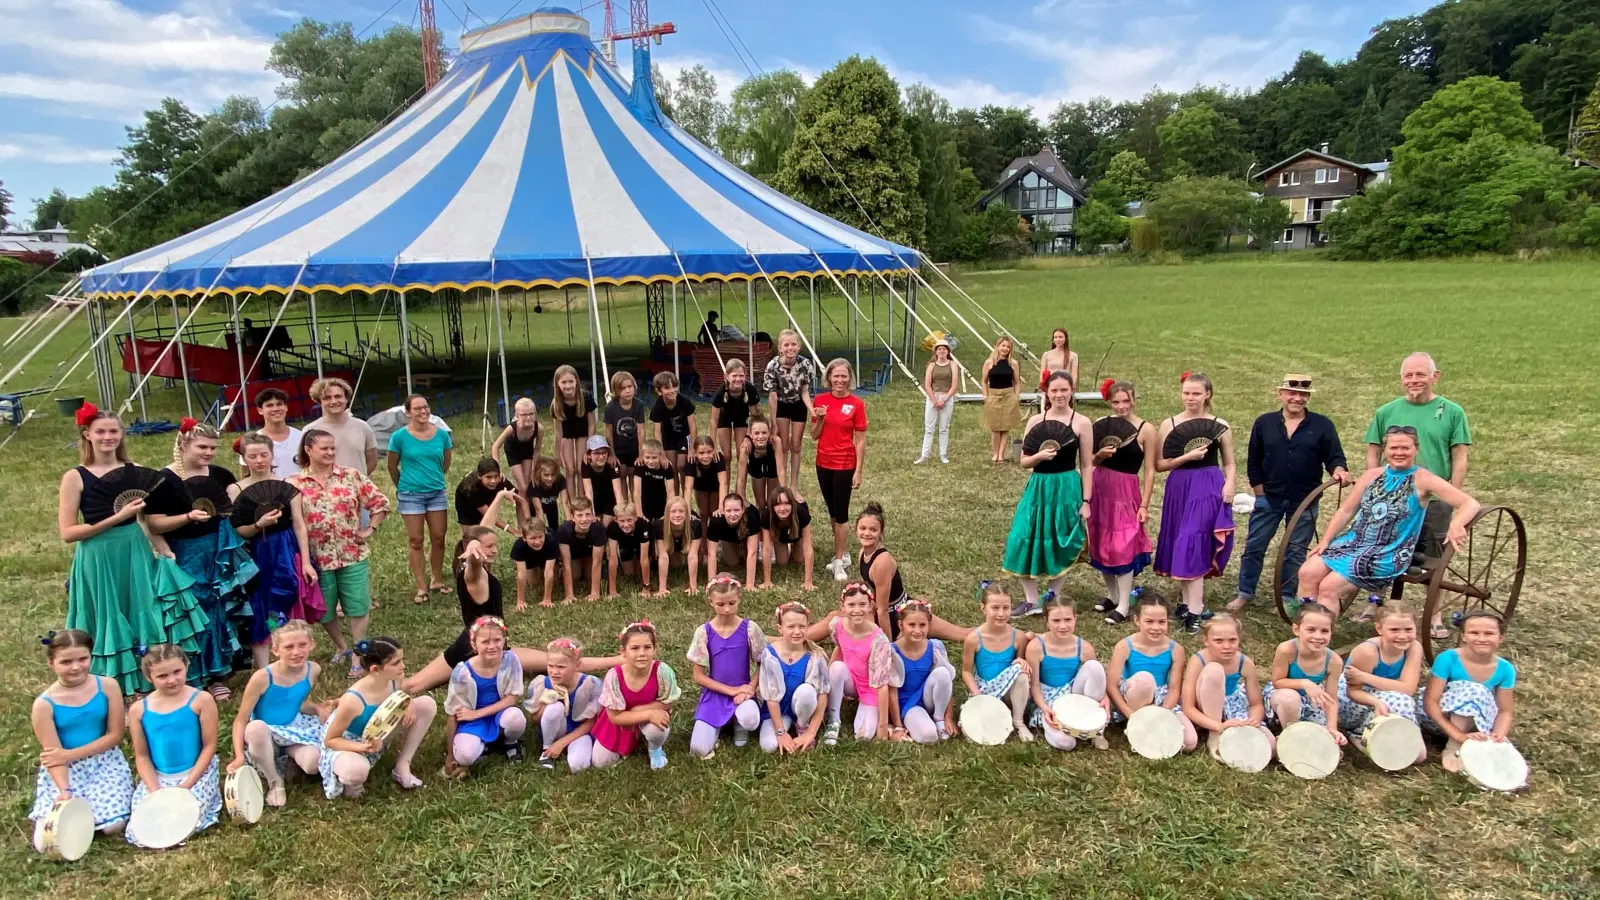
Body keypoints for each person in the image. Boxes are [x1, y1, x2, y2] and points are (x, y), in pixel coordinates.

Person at [58, 405, 209, 693]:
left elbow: (145, 520)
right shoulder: (75, 477)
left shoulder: (135, 471)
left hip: (135, 549)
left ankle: (146, 680)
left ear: (122, 434)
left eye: (113, 431)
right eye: (100, 431)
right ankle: (108, 683)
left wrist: (162, 548)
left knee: (143, 609)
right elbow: (68, 532)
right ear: (87, 434)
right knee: (106, 613)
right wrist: (116, 517)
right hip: (98, 554)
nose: (107, 437)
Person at [1297, 426, 1480, 616]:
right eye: (1393, 448)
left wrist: (1456, 523)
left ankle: (1320, 636)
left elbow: (1470, 503)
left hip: (1388, 552)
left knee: (1329, 587)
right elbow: (1346, 510)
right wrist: (1326, 540)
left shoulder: (1423, 479)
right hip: (1354, 543)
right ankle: (1307, 628)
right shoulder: (1371, 475)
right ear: (1385, 450)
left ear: (1416, 450)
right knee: (1307, 572)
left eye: (1405, 448)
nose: (1399, 453)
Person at [1363, 352, 1473, 639]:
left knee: (1435, 557)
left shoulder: (1452, 412)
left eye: (1420, 374)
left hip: (1434, 499)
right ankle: (1375, 602)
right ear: (1401, 379)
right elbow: (1373, 451)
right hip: (1394, 499)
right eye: (1408, 375)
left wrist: (1453, 496)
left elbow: (1459, 457)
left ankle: (1434, 615)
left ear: (1434, 377)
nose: (1414, 380)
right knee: (1381, 546)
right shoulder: (1386, 411)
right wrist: (1376, 488)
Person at [1230, 375, 1350, 614]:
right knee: (1255, 546)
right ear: (1280, 394)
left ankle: (1286, 596)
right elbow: (1253, 459)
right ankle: (1245, 592)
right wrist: (1259, 492)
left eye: (1303, 394)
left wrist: (1339, 470)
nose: (1297, 398)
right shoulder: (1264, 423)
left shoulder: (1322, 425)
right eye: (1291, 393)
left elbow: (1335, 456)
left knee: (1295, 550)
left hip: (1304, 500)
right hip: (1269, 498)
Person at [156, 420, 257, 699]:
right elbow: (152, 522)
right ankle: (190, 674)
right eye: (202, 447)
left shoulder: (220, 475)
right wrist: (187, 517)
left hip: (220, 549)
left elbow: (230, 510)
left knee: (219, 608)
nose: (208, 453)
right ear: (183, 444)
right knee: (192, 612)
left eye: (213, 448)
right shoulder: (164, 480)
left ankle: (218, 673)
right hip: (185, 551)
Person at [288, 429, 390, 677]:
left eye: (333, 448)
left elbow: (380, 502)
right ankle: (341, 646)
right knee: (323, 609)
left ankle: (358, 652)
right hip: (316, 558)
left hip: (351, 553)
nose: (330, 453)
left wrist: (370, 528)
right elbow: (293, 523)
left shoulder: (351, 476)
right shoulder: (294, 483)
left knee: (357, 605)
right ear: (308, 450)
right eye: (324, 448)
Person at [29, 630, 132, 851]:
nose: (76, 667)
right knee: (44, 843)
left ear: (91, 657)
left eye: (83, 659)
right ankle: (74, 821)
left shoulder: (108, 686)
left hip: (104, 761)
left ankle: (88, 821)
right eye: (66, 662)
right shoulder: (44, 705)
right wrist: (64, 790)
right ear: (51, 663)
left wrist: (70, 754)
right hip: (65, 769)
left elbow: (115, 735)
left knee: (114, 826)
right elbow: (53, 754)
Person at [1002, 372, 1094, 617]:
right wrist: (1038, 457)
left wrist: (1086, 500)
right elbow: (1023, 461)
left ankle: (1052, 595)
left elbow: (1086, 465)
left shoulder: (1082, 423)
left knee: (1060, 539)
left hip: (1066, 487)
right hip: (1039, 485)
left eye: (1064, 390)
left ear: (1072, 391)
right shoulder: (1035, 421)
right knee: (1022, 536)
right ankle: (1031, 600)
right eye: (1054, 391)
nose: (1059, 395)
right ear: (1047, 393)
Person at [1153, 372, 1237, 634]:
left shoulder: (1220, 425)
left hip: (1209, 485)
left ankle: (1196, 610)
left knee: (1195, 540)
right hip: (1179, 486)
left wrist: (1230, 484)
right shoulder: (1169, 424)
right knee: (1181, 540)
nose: (1190, 398)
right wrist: (1186, 456)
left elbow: (1230, 462)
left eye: (1196, 393)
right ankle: (1189, 604)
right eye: (1186, 393)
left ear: (1207, 395)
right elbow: (1160, 464)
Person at [233, 433, 321, 669]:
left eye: (264, 454)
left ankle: (294, 657)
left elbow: (299, 524)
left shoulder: (288, 485)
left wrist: (305, 561)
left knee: (286, 598)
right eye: (252, 456)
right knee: (259, 605)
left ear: (272, 455)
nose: (259, 460)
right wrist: (257, 526)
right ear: (244, 458)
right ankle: (263, 666)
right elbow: (237, 531)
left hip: (285, 549)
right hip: (254, 553)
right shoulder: (235, 489)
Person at [125, 645, 222, 847]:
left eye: (177, 672)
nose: (172, 680)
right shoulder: (138, 710)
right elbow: (142, 755)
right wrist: (154, 789)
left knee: (186, 819)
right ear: (149, 678)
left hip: (195, 773)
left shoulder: (201, 700)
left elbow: (209, 746)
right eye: (162, 676)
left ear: (186, 666)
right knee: (142, 829)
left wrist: (187, 784)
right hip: (158, 777)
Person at [227, 620, 327, 808]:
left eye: (302, 645)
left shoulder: (313, 669)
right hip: (265, 734)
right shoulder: (263, 678)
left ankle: (289, 758)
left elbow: (295, 701)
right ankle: (275, 781)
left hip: (293, 729)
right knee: (255, 728)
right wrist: (239, 755)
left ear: (312, 645)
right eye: (289, 647)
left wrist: (316, 709)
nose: (296, 652)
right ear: (276, 650)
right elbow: (240, 720)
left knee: (313, 764)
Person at [319, 637, 436, 795]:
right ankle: (351, 782)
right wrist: (362, 748)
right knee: (357, 771)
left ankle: (402, 767)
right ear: (375, 669)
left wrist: (408, 703)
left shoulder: (395, 678)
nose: (403, 666)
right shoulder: (352, 701)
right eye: (396, 663)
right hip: (350, 743)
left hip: (378, 732)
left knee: (426, 705)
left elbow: (400, 693)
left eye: (402, 660)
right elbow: (330, 740)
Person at [1089, 380, 1156, 625]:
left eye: (1126, 401)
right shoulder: (1100, 426)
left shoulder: (1146, 429)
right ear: (1109, 403)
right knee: (1101, 542)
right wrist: (1099, 455)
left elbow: (1150, 470)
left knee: (1122, 545)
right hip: (1100, 487)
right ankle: (1112, 594)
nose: (1121, 406)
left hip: (1126, 491)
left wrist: (1145, 505)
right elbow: (1090, 463)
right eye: (1116, 402)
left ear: (1134, 400)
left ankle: (1125, 604)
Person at [856, 502, 968, 642]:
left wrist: (887, 647)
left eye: (873, 530)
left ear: (881, 533)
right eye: (862, 528)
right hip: (886, 612)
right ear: (856, 529)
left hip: (899, 615)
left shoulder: (881, 562)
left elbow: (883, 610)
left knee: (963, 635)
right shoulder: (862, 553)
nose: (867, 533)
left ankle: (998, 634)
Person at [1422, 612, 1517, 773]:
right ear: (1463, 636)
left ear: (1500, 638)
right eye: (1474, 633)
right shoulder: (1448, 658)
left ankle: (1486, 745)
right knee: (1473, 690)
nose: (1481, 638)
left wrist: (1498, 736)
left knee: (1505, 755)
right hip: (1438, 719)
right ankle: (1453, 748)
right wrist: (1458, 736)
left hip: (1474, 725)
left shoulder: (1505, 668)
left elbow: (1505, 711)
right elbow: (1430, 702)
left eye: (1489, 634)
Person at [686, 575, 767, 759]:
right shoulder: (703, 632)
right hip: (715, 694)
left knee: (751, 720)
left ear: (739, 599)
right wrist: (731, 691)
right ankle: (717, 726)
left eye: (732, 603)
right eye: (720, 604)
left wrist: (750, 689)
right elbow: (698, 676)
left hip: (743, 693)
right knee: (698, 750)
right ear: (711, 602)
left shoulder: (750, 628)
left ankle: (739, 723)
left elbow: (763, 664)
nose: (727, 609)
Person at [1106, 593, 1197, 752]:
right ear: (1137, 620)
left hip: (1162, 698)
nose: (1156, 627)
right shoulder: (1125, 646)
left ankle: (1155, 728)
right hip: (1133, 694)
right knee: (1145, 679)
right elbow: (1112, 686)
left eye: (1162, 622)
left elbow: (1175, 688)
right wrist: (1129, 713)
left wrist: (1163, 712)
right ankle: (1137, 728)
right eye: (1149, 621)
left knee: (1189, 743)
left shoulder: (1176, 649)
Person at [807, 581, 894, 744]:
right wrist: (828, 685)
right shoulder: (836, 626)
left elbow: (882, 684)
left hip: (870, 688)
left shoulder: (879, 639)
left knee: (863, 736)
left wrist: (882, 725)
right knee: (836, 668)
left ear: (870, 606)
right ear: (843, 606)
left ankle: (870, 713)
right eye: (851, 604)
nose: (857, 610)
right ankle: (834, 721)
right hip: (850, 680)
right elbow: (840, 648)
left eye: (862, 604)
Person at [387, 394, 454, 605]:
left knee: (438, 537)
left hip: (436, 492)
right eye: (417, 408)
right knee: (416, 540)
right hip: (410, 495)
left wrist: (433, 478)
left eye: (425, 407)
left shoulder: (442, 435)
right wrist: (404, 486)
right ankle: (421, 587)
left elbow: (445, 463)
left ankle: (436, 579)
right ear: (408, 412)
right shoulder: (399, 437)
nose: (423, 411)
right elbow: (391, 466)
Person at [1180, 614, 1274, 762]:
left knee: (1270, 746)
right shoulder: (1198, 660)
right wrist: (1218, 725)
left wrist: (1253, 720)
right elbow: (1188, 707)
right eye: (1218, 641)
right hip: (1204, 704)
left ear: (1239, 638)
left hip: (1232, 705)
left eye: (1232, 640)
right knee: (1214, 671)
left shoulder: (1245, 662)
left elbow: (1256, 703)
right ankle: (1214, 734)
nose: (1227, 646)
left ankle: (1232, 733)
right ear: (1206, 641)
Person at [1338, 605, 1425, 763]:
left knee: (1419, 756)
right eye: (1394, 630)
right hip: (1353, 702)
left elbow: (1408, 689)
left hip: (1389, 695)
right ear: (1379, 628)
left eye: (1408, 629)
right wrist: (1375, 701)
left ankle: (1384, 736)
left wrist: (1364, 676)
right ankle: (1358, 732)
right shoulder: (1368, 651)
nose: (1402, 636)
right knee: (1400, 701)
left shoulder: (1414, 648)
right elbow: (1353, 692)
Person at [442, 616, 527, 777]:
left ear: (504, 640)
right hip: (472, 722)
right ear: (474, 644)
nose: (492, 646)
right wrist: (450, 756)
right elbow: (453, 714)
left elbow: (511, 699)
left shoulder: (510, 660)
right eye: (485, 642)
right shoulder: (462, 672)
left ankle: (510, 743)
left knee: (516, 718)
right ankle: (484, 744)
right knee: (465, 756)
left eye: (497, 640)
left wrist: (476, 713)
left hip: (499, 713)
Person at [592, 621, 681, 770]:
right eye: (634, 648)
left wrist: (642, 713)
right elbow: (615, 717)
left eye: (647, 647)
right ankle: (631, 740)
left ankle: (654, 748)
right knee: (601, 763)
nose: (642, 653)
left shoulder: (662, 671)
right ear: (623, 651)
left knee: (658, 729)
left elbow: (667, 702)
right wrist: (644, 713)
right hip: (619, 724)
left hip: (649, 717)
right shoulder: (614, 676)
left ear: (655, 649)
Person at [1026, 596, 1109, 752]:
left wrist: (1105, 698)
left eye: (1068, 620)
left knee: (1094, 666)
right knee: (1066, 743)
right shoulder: (1036, 647)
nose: (1063, 626)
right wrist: (1045, 709)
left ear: (1075, 619)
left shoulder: (1084, 647)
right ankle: (1059, 726)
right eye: (1056, 621)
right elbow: (1034, 685)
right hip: (1048, 699)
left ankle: (1097, 731)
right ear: (1046, 621)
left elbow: (1096, 679)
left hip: (1073, 694)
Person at [811, 358, 868, 578]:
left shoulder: (856, 404)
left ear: (849, 377)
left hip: (844, 463)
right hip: (822, 463)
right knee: (833, 511)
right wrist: (821, 418)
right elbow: (814, 435)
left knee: (842, 514)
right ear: (829, 378)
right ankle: (842, 553)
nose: (840, 380)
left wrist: (859, 470)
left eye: (844, 376)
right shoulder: (821, 400)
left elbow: (861, 440)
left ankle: (838, 561)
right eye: (836, 376)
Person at [1264, 603, 1345, 751]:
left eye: (1325, 631)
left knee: (1325, 744)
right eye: (1311, 630)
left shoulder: (1334, 661)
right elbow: (1278, 682)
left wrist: (1332, 727)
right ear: (1296, 629)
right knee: (1289, 699)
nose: (1318, 636)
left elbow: (1331, 698)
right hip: (1283, 694)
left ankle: (1301, 740)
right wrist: (1305, 683)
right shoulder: (1287, 649)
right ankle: (1289, 737)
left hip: (1312, 700)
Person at [961, 582, 1036, 742]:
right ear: (983, 608)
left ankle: (1019, 721)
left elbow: (1019, 661)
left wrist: (1022, 661)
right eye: (995, 608)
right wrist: (976, 693)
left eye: (1006, 608)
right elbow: (966, 671)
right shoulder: (974, 639)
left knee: (1021, 673)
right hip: (985, 688)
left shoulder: (1018, 637)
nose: (1001, 614)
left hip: (1009, 690)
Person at [758, 601, 830, 754]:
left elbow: (822, 695)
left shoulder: (815, 655)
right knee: (769, 746)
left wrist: (811, 733)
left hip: (801, 705)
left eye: (802, 626)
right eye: (791, 627)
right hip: (777, 708)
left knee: (807, 691)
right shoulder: (770, 654)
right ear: (780, 629)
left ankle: (802, 726)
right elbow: (771, 697)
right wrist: (781, 733)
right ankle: (784, 726)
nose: (797, 632)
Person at [887, 598, 958, 745]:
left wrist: (948, 717)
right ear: (901, 625)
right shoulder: (892, 651)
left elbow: (946, 683)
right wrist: (898, 726)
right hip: (908, 704)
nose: (917, 630)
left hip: (929, 697)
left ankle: (938, 719)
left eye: (922, 625)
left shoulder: (935, 646)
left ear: (929, 625)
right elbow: (891, 691)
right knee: (929, 737)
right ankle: (917, 723)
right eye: (911, 625)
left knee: (943, 672)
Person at [527, 637, 602, 772]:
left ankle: (565, 748)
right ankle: (546, 752)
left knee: (578, 766)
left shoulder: (589, 685)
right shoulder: (542, 684)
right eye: (551, 666)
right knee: (555, 707)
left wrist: (562, 743)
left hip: (579, 732)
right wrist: (544, 705)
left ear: (576, 665)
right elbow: (535, 719)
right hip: (554, 730)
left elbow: (591, 722)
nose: (554, 672)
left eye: (561, 667)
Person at [763, 329, 816, 489]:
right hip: (781, 405)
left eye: (793, 344)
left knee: (796, 446)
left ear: (799, 346)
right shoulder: (773, 366)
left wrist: (813, 411)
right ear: (780, 347)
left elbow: (805, 392)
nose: (790, 348)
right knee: (784, 445)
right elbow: (772, 397)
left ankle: (793, 486)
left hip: (798, 404)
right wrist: (773, 425)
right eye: (786, 345)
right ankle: (783, 486)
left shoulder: (805, 364)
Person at [306, 377, 378, 476]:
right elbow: (305, 463)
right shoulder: (310, 430)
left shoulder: (363, 427)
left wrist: (358, 480)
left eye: (338, 396)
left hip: (358, 488)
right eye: (327, 398)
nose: (334, 401)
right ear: (319, 401)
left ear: (346, 399)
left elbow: (372, 461)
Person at [713, 359, 760, 481]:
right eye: (734, 376)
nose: (738, 379)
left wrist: (749, 436)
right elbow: (714, 420)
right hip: (724, 419)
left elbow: (755, 416)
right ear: (727, 377)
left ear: (745, 376)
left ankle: (741, 493)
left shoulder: (750, 389)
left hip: (741, 418)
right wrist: (713, 444)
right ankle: (725, 492)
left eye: (741, 375)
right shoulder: (720, 392)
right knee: (726, 456)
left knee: (742, 454)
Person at [916, 338, 961, 465]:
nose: (941, 351)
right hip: (932, 398)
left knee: (944, 428)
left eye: (944, 349)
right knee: (929, 428)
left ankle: (943, 454)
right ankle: (924, 455)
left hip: (946, 397)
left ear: (948, 351)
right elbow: (928, 385)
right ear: (936, 352)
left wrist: (945, 399)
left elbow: (954, 385)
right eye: (939, 349)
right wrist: (934, 400)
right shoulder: (931, 365)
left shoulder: (952, 365)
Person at [980, 337, 1024, 464]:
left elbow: (1017, 382)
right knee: (995, 426)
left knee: (1005, 426)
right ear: (997, 346)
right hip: (993, 395)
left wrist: (1016, 396)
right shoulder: (989, 363)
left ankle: (1001, 455)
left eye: (1008, 347)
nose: (1005, 349)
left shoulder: (1013, 364)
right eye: (1003, 346)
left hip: (1008, 395)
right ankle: (995, 453)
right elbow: (983, 381)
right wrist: (985, 396)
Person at [705, 492, 763, 588]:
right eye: (728, 510)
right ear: (723, 510)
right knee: (732, 562)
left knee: (749, 557)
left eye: (737, 510)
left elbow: (752, 553)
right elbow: (711, 554)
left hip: (747, 536)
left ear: (743, 509)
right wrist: (711, 583)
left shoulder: (752, 515)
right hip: (729, 538)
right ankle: (736, 548)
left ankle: (751, 547)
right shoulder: (716, 521)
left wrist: (750, 585)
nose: (733, 514)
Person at [550, 364, 596, 484]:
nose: (568, 385)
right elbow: (558, 432)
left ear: (577, 381)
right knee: (570, 470)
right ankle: (571, 502)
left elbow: (592, 424)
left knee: (581, 468)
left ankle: (582, 499)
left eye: (571, 381)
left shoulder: (586, 397)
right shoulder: (556, 403)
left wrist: (590, 446)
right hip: (566, 435)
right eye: (564, 382)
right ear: (557, 384)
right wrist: (557, 455)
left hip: (583, 433)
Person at [762, 486, 815, 591]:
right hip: (779, 537)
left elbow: (808, 547)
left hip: (797, 536)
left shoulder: (801, 512)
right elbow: (767, 548)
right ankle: (785, 547)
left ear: (793, 504)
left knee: (799, 560)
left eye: (786, 503)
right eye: (777, 504)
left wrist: (808, 581)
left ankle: (795, 545)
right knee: (782, 562)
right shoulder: (767, 515)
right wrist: (767, 580)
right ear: (772, 506)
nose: (782, 508)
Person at [557, 497, 607, 603]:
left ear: (593, 515)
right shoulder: (563, 530)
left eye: (588, 514)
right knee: (575, 577)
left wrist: (595, 593)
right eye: (580, 515)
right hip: (574, 556)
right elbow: (566, 563)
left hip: (590, 556)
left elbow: (597, 562)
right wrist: (569, 595)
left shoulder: (598, 528)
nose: (584, 519)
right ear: (572, 517)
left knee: (589, 577)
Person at [649, 371, 698, 480]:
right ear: (659, 391)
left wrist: (692, 449)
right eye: (667, 388)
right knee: (672, 468)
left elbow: (693, 426)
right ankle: (674, 496)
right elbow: (657, 432)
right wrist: (660, 453)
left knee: (682, 465)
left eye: (675, 386)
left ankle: (685, 495)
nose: (673, 390)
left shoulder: (685, 402)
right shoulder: (657, 407)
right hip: (668, 437)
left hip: (684, 436)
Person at [653, 496, 704, 595]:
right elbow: (663, 556)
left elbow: (693, 556)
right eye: (673, 511)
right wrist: (662, 588)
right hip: (671, 543)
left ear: (687, 513)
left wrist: (693, 586)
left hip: (687, 543)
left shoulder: (695, 524)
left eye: (681, 511)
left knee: (695, 558)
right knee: (676, 564)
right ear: (667, 513)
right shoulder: (659, 525)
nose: (677, 515)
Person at [603, 372, 645, 492]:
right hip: (618, 448)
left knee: (634, 476)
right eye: (623, 388)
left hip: (633, 448)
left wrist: (641, 453)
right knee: (621, 476)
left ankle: (635, 506)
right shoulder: (610, 408)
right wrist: (612, 454)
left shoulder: (638, 405)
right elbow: (608, 433)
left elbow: (641, 431)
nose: (627, 391)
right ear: (616, 390)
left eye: (630, 387)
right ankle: (624, 507)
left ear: (634, 387)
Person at [491, 397, 543, 493]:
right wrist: (497, 469)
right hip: (513, 452)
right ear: (517, 415)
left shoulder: (539, 428)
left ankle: (526, 506)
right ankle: (522, 506)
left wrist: (534, 467)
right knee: (522, 487)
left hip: (527, 451)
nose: (528, 417)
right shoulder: (511, 428)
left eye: (531, 414)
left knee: (528, 485)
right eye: (524, 415)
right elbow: (495, 446)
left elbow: (537, 449)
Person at [606, 503, 657, 598]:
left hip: (641, 544)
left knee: (640, 571)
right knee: (629, 574)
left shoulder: (643, 525)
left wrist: (646, 588)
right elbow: (612, 559)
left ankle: (651, 570)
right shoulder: (612, 527)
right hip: (626, 544)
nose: (626, 524)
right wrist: (612, 591)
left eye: (629, 520)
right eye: (622, 521)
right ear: (616, 520)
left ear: (635, 518)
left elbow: (644, 559)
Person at [738, 412, 786, 510]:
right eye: (756, 433)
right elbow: (741, 477)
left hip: (772, 467)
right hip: (756, 469)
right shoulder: (746, 448)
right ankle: (760, 521)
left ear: (769, 432)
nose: (760, 437)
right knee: (760, 504)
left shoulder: (775, 442)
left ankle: (770, 523)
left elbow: (781, 469)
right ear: (750, 435)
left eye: (764, 433)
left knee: (771, 503)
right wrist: (741, 497)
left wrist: (784, 491)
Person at [253, 388, 304, 477]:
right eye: (270, 405)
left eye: (279, 404)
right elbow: (246, 477)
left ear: (286, 407)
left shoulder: (301, 437)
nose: (276, 409)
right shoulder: (253, 441)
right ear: (260, 410)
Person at [511, 518, 559, 610]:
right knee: (533, 583)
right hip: (529, 558)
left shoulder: (550, 540)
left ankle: (554, 567)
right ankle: (534, 568)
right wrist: (520, 601)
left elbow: (549, 572)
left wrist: (547, 599)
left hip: (547, 556)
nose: (537, 542)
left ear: (545, 534)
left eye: (540, 537)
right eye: (532, 538)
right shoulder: (519, 545)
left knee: (555, 581)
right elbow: (521, 575)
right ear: (524, 538)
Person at [682, 435, 728, 525]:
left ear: (714, 450)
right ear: (695, 453)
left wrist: (721, 507)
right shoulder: (691, 461)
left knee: (714, 512)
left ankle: (713, 536)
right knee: (703, 513)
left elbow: (723, 483)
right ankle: (703, 537)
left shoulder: (718, 458)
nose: (706, 456)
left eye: (709, 452)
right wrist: (687, 510)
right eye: (701, 453)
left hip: (715, 485)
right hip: (700, 485)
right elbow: (688, 487)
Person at [580, 434, 624, 525]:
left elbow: (618, 491)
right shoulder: (586, 465)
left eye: (604, 452)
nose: (601, 456)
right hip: (595, 499)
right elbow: (588, 491)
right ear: (589, 455)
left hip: (609, 500)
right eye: (596, 453)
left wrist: (621, 514)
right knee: (595, 525)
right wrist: (591, 513)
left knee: (605, 526)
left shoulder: (612, 464)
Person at [633, 439, 678, 523]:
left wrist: (667, 513)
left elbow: (671, 492)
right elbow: (637, 492)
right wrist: (639, 514)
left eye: (654, 457)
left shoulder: (666, 467)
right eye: (647, 457)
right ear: (642, 455)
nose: (650, 461)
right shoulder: (640, 466)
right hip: (645, 503)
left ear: (660, 456)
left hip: (661, 503)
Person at [455, 457, 508, 528]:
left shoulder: (500, 479)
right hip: (467, 508)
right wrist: (512, 530)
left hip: (483, 498)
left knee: (486, 533)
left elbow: (520, 498)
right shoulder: (471, 488)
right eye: (488, 477)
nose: (493, 481)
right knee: (472, 536)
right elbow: (488, 514)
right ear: (480, 476)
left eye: (496, 476)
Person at [526, 456, 569, 531]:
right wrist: (543, 530)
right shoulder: (534, 485)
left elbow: (564, 502)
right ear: (539, 474)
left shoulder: (560, 480)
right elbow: (538, 509)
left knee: (554, 528)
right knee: (534, 527)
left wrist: (569, 521)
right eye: (546, 475)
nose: (550, 478)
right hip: (533, 508)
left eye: (553, 475)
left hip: (551, 504)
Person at [1037, 327, 1079, 398]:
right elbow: (1042, 373)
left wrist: (1070, 387)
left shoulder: (1073, 356)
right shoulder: (1046, 355)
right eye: (1055, 337)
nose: (1058, 340)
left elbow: (1074, 375)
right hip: (1050, 387)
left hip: (1064, 387)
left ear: (1066, 338)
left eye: (1060, 337)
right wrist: (1044, 387)